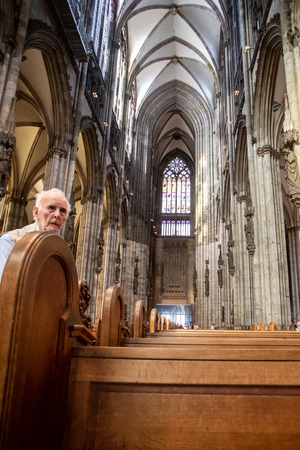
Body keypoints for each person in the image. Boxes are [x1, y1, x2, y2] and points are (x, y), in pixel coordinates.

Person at [0, 188, 70, 283]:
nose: (57, 214)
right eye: (51, 208)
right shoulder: (10, 242)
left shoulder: (62, 252)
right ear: (37, 213)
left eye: (63, 211)